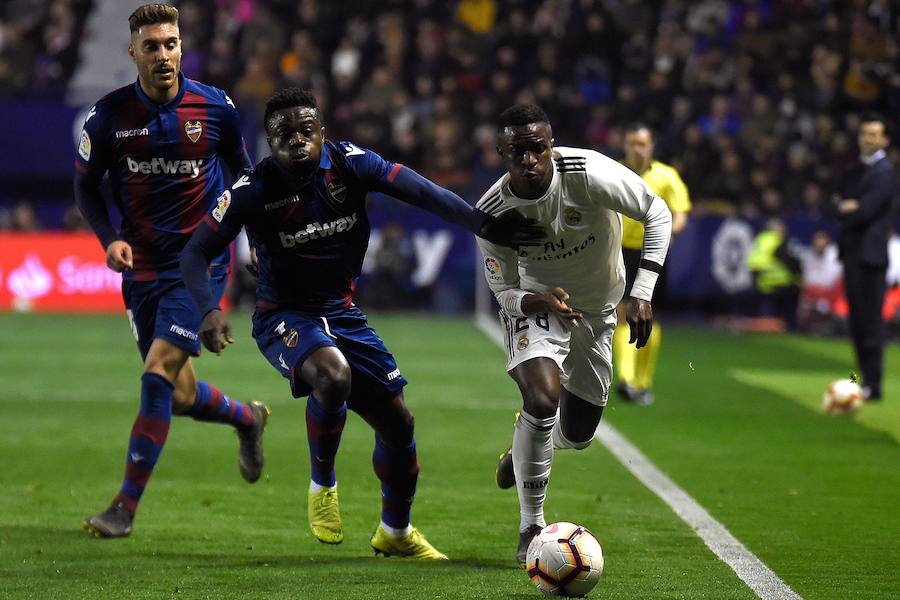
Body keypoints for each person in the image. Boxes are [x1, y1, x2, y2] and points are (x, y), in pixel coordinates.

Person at [180, 88, 544, 559]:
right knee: (333, 375)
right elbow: (195, 252)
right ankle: (322, 485)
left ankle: (395, 532)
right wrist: (209, 309)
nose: (297, 141)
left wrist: (482, 223)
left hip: (342, 312)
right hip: (282, 316)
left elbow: (419, 190)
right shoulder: (252, 191)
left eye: (306, 131)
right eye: (283, 134)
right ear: (268, 142)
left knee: (399, 423)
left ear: (322, 133)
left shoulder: (350, 164)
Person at [74, 4, 268, 539]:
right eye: (152, 45)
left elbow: (245, 176)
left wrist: (244, 239)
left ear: (182, 47)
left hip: (199, 263)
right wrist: (108, 237)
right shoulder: (108, 118)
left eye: (171, 43)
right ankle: (247, 418)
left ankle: (124, 509)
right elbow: (87, 187)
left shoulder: (215, 108)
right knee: (178, 395)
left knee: (157, 373)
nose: (164, 54)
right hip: (141, 268)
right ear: (132, 51)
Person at [477, 104, 672, 564]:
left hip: (600, 309)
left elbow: (657, 212)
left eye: (538, 148)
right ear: (502, 152)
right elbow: (503, 292)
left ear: (551, 144)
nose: (530, 159)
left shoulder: (586, 173)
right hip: (539, 306)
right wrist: (536, 302)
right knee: (542, 399)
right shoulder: (494, 212)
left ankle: (521, 450)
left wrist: (642, 292)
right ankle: (531, 526)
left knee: (579, 434)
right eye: (518, 151)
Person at [613, 123, 691, 405]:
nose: (637, 149)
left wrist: (671, 232)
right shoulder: (614, 172)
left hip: (651, 252)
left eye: (642, 144)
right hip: (619, 249)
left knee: (647, 314)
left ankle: (643, 382)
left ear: (651, 147)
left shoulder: (666, 176)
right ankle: (625, 380)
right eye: (632, 143)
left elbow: (680, 212)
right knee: (622, 313)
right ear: (625, 146)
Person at [833, 114, 896, 401]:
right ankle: (863, 381)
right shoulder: (856, 168)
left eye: (874, 134)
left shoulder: (885, 171)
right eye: (864, 134)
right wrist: (846, 207)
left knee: (870, 322)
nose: (868, 139)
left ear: (884, 140)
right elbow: (833, 204)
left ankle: (874, 383)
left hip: (870, 255)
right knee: (857, 321)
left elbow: (867, 209)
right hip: (854, 252)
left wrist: (849, 207)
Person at [746, 218, 802, 331]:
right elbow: (787, 260)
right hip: (777, 280)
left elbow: (752, 261)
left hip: (761, 280)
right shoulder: (775, 241)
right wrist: (797, 276)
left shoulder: (760, 239)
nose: (783, 231)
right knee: (786, 307)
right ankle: (788, 327)